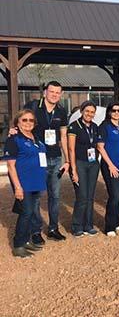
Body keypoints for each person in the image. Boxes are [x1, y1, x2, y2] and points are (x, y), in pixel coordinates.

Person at [22, 81, 70, 244]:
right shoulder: (34, 106)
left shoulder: (62, 111)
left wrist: (67, 160)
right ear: (45, 92)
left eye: (58, 92)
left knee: (55, 196)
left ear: (61, 94)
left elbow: (63, 137)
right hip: (37, 159)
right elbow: (21, 123)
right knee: (36, 196)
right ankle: (36, 231)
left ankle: (52, 229)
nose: (54, 95)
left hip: (56, 158)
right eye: (52, 91)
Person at [4, 109, 47, 257]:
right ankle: (18, 245)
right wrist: (17, 187)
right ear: (17, 122)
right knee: (26, 213)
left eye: (31, 120)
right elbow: (10, 166)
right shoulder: (14, 139)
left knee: (32, 213)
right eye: (24, 120)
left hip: (37, 181)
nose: (28, 123)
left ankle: (27, 240)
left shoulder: (35, 138)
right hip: (24, 183)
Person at [97, 103, 119, 236]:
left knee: (118, 196)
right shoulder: (105, 127)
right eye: (114, 110)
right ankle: (109, 226)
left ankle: (116, 222)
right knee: (114, 195)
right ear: (109, 112)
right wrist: (110, 165)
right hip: (111, 166)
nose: (116, 112)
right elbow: (100, 147)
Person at [67, 101, 100, 237]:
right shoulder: (74, 127)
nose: (89, 114)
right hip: (79, 163)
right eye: (87, 111)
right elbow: (71, 149)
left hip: (92, 164)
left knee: (90, 196)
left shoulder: (95, 126)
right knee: (81, 196)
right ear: (81, 111)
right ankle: (77, 226)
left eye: (92, 112)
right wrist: (73, 170)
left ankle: (88, 225)